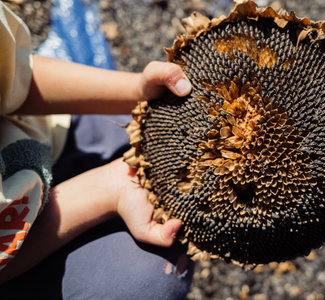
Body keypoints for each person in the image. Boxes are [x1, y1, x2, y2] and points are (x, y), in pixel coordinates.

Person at [0, 2, 193, 298]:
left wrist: (139, 93)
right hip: (15, 258)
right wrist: (109, 189)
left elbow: (15, 75)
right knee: (150, 275)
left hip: (38, 137)